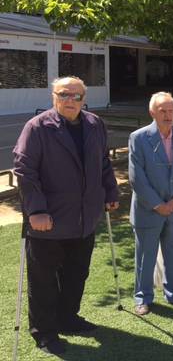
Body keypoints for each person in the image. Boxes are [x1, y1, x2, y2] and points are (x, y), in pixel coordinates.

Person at [13, 76, 119, 355]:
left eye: (76, 96)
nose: (70, 100)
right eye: (64, 95)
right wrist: (36, 210)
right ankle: (45, 333)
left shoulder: (95, 124)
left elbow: (103, 162)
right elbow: (24, 171)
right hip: (47, 221)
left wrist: (110, 192)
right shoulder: (37, 127)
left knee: (76, 274)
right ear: (53, 97)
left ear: (84, 99)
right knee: (44, 280)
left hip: (84, 219)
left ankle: (67, 319)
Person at [129, 92, 173, 316]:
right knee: (145, 257)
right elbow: (136, 177)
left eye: (171, 111)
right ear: (152, 112)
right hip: (149, 210)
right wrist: (158, 205)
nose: (168, 115)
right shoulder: (138, 138)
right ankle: (143, 297)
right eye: (163, 111)